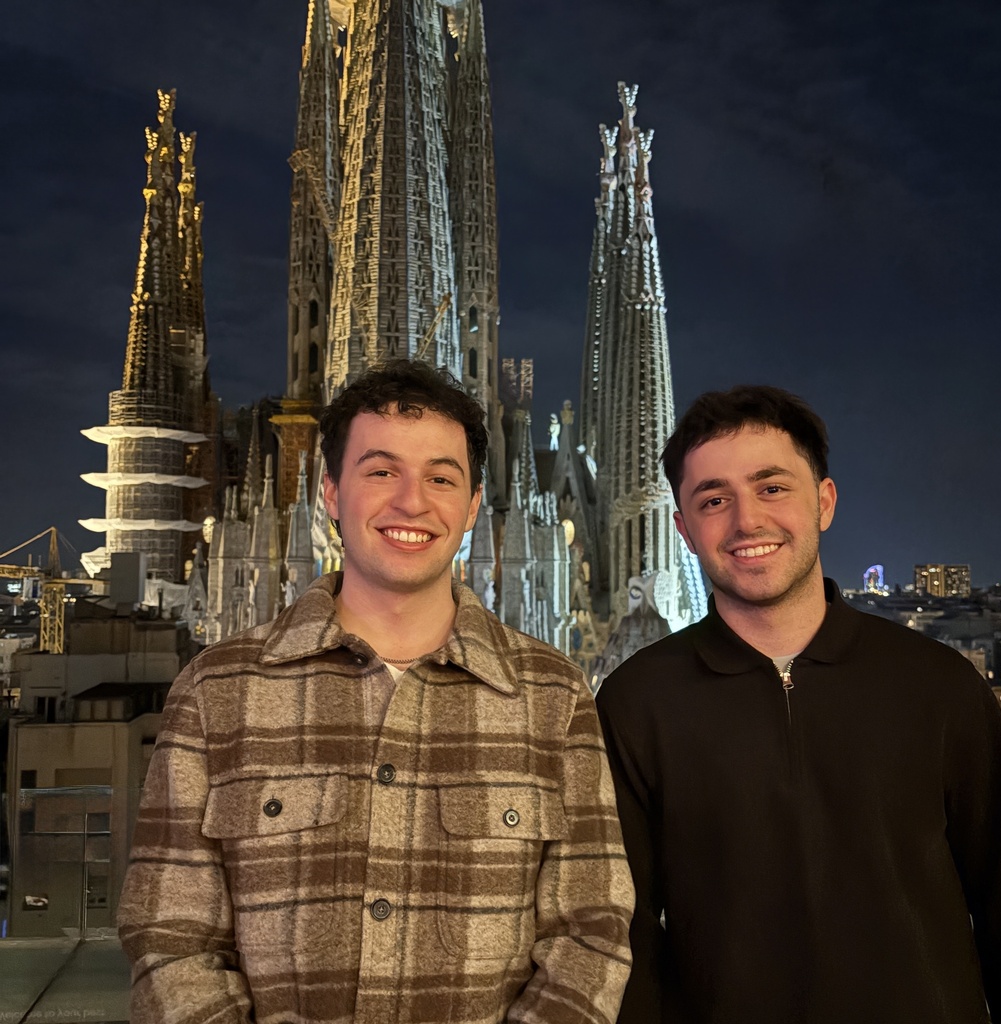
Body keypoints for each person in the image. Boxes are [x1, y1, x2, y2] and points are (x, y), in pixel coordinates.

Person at [119, 359, 633, 1024]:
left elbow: (591, 935)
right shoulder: (216, 693)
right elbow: (169, 944)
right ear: (329, 492)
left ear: (474, 504)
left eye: (441, 477)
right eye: (381, 471)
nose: (411, 501)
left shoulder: (554, 697)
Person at [596, 384, 1001, 1024]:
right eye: (715, 500)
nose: (747, 521)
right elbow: (622, 934)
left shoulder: (937, 685)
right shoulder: (637, 702)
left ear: (823, 501)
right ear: (683, 529)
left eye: (773, 488)